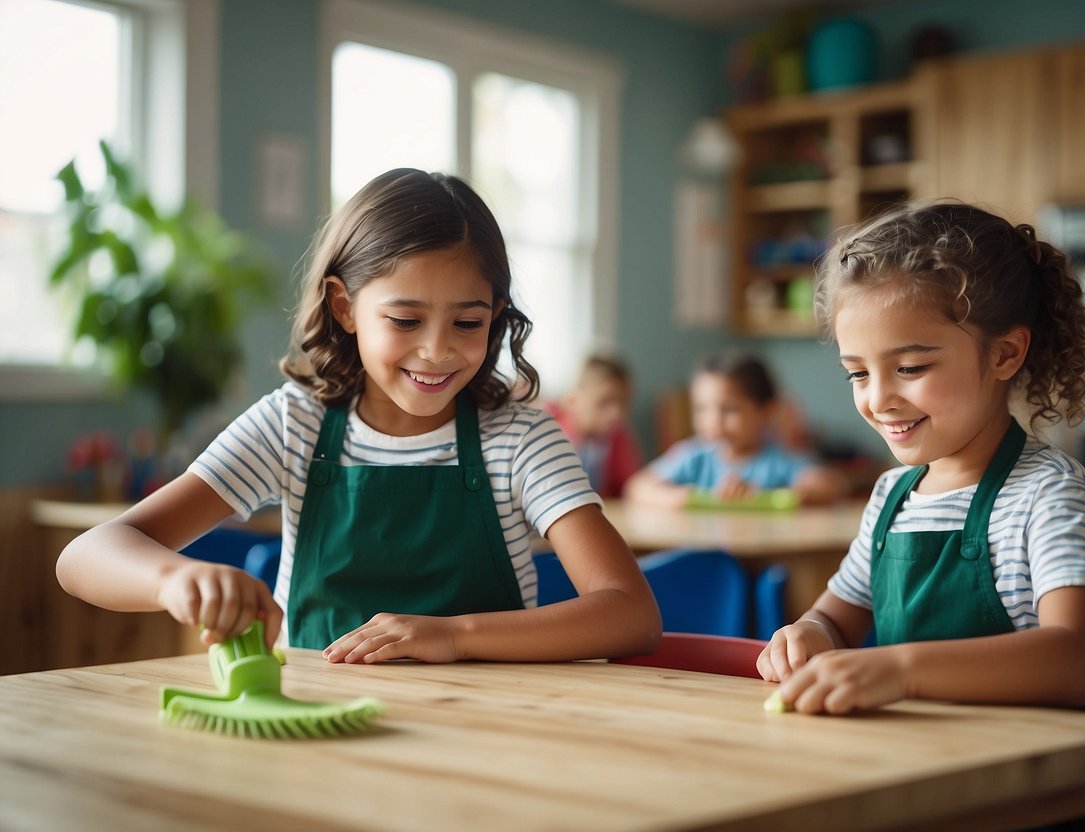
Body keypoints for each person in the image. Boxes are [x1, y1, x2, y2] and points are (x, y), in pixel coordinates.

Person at [57, 168, 661, 665]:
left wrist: (455, 636)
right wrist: (171, 580)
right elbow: (86, 556)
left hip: (493, 739)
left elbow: (630, 613)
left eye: (468, 323)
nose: (437, 349)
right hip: (318, 736)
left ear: (496, 315)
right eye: (405, 320)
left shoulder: (520, 437)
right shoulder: (294, 425)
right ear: (345, 307)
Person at [759, 201, 1085, 718]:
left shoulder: (1050, 494)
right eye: (857, 373)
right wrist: (806, 634)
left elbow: (1073, 662)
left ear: (1004, 354)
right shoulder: (891, 496)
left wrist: (901, 671)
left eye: (910, 367)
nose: (878, 398)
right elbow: (836, 621)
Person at [624, 351, 846, 508]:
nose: (713, 421)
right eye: (702, 409)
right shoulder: (694, 456)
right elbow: (637, 487)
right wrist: (684, 498)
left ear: (766, 411)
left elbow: (831, 486)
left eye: (729, 409)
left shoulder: (778, 459)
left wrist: (768, 498)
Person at [546, 353, 644, 499]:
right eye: (605, 402)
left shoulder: (618, 436)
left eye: (623, 403)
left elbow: (632, 485)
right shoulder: (548, 426)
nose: (616, 414)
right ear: (574, 400)